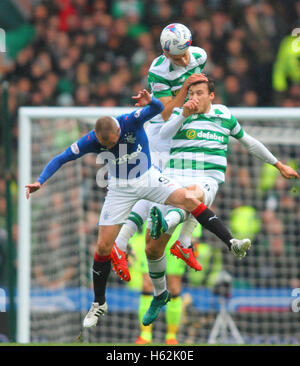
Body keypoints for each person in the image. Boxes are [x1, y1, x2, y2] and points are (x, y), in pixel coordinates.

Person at [25, 89, 249, 329]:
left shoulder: (130, 120)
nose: (110, 147)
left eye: (112, 142)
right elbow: (60, 158)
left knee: (190, 201)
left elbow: (155, 109)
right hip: (119, 188)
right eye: (106, 145)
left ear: (119, 131)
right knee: (102, 246)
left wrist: (149, 100)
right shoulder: (91, 140)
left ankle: (231, 242)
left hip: (149, 178)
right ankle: (99, 302)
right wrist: (40, 180)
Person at [142, 78, 299, 326]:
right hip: (173, 178)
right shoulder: (181, 113)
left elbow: (248, 142)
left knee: (191, 196)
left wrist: (277, 164)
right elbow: (163, 133)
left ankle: (172, 227)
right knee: (152, 248)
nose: (194, 97)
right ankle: (160, 293)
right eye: (191, 93)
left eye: (199, 93)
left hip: (206, 179)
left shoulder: (224, 116)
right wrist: (182, 113)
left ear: (211, 96)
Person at [111, 23, 209, 283]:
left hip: (181, 130)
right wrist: (185, 86)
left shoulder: (199, 55)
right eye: (179, 56)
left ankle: (181, 242)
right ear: (166, 54)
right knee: (154, 188)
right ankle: (122, 243)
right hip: (161, 134)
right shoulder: (158, 70)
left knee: (194, 185)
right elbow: (165, 112)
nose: (185, 58)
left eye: (186, 51)